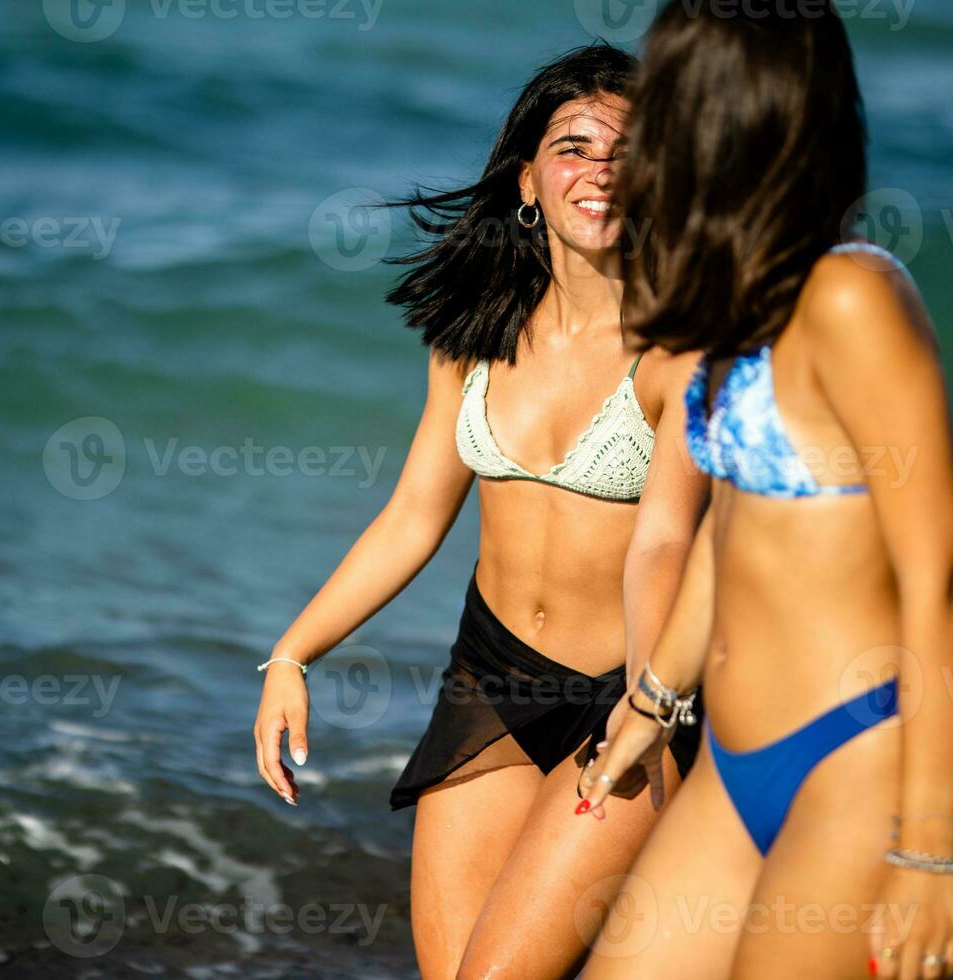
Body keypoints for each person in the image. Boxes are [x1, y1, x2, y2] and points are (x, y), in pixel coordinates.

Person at [253, 45, 710, 978]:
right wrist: (293, 653)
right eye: (573, 147)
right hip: (490, 684)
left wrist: (651, 703)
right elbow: (415, 515)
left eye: (628, 153)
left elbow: (665, 541)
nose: (600, 172)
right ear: (527, 180)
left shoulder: (678, 353)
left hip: (630, 693)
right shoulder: (473, 334)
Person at [576, 6, 953, 980]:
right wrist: (651, 701)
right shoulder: (744, 309)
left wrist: (926, 848)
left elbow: (939, 573)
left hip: (858, 765)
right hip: (735, 766)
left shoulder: (854, 296)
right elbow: (731, 533)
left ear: (722, 119)